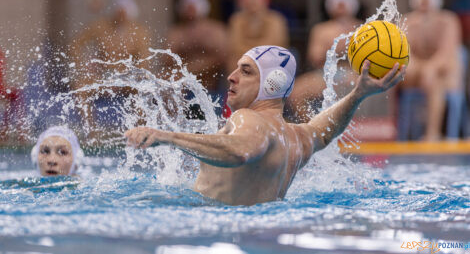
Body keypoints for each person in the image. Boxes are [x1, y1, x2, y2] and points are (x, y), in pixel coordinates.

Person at [125, 45, 406, 206]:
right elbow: (324, 130)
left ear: (274, 83)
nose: (232, 77)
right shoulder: (297, 137)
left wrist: (167, 136)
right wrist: (358, 94)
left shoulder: (248, 118)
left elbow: (241, 150)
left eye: (246, 71)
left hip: (216, 230)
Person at [70, 0, 152, 128]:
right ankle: (91, 130)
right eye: (118, 13)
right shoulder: (100, 27)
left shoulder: (140, 33)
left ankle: (139, 130)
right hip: (103, 76)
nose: (120, 17)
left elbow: (143, 63)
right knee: (79, 87)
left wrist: (130, 78)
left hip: (127, 79)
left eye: (123, 14)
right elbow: (75, 44)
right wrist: (82, 67)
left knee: (143, 88)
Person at [288, 0, 361, 121]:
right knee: (295, 93)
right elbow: (315, 58)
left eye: (344, 4)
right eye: (338, 4)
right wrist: (341, 48)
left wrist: (335, 47)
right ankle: (313, 128)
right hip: (326, 74)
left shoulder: (363, 28)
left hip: (353, 73)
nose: (341, 8)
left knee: (359, 82)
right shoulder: (320, 29)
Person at [402, 0, 463, 140]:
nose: (424, 4)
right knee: (393, 75)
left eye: (428, 0)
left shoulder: (448, 20)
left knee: (435, 81)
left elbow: (446, 52)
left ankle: (432, 133)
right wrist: (416, 67)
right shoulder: (408, 21)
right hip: (417, 73)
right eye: (421, 0)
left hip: (443, 74)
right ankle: (392, 130)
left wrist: (430, 68)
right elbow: (404, 52)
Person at [167, 0, 228, 100]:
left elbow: (222, 57)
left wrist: (195, 68)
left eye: (193, 6)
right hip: (185, 89)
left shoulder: (216, 30)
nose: (190, 11)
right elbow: (167, 59)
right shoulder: (177, 32)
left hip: (211, 88)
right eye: (187, 6)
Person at [228, 0, 289, 71]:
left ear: (265, 0)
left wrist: (251, 54)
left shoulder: (276, 19)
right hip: (242, 61)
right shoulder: (237, 20)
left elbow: (274, 46)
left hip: (269, 61)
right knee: (233, 59)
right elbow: (235, 46)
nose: (252, 2)